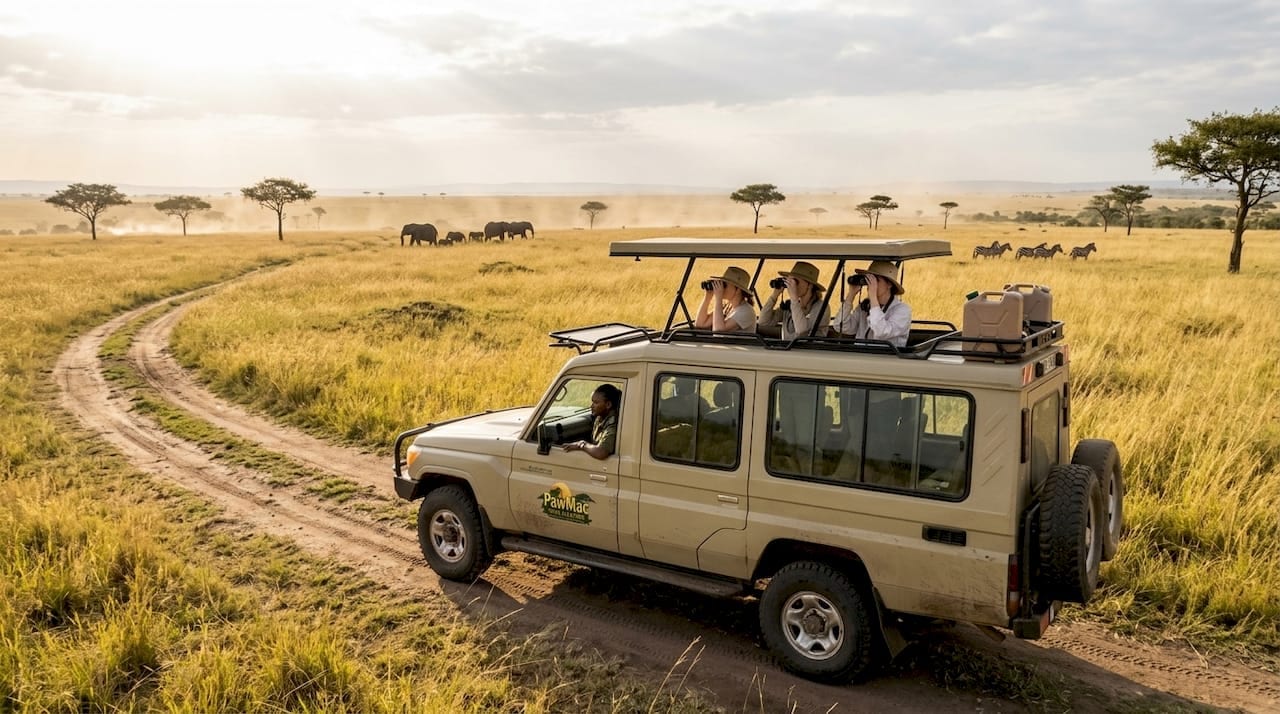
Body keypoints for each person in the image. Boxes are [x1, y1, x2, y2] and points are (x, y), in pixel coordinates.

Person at [833, 260, 912, 347]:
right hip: (860, 356)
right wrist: (850, 295)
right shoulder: (865, 306)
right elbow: (840, 327)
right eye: (868, 280)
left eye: (875, 280)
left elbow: (881, 332)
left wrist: (873, 298)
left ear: (889, 284)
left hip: (884, 358)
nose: (870, 285)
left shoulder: (902, 310)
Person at [759, 261, 829, 340]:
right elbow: (763, 322)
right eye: (789, 281)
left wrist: (794, 299)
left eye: (796, 282)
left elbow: (802, 331)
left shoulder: (820, 307)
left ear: (809, 285)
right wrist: (774, 295)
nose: (792, 285)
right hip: (789, 351)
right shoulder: (790, 305)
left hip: (809, 351)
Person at [562, 383, 621, 460]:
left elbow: (601, 452)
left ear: (608, 405)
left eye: (596, 403)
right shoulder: (600, 417)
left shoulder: (613, 424)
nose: (591, 406)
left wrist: (582, 444)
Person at [694, 266, 756, 333]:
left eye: (725, 285)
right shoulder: (727, 307)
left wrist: (718, 299)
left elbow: (718, 331)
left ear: (738, 290)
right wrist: (708, 297)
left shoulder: (746, 311)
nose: (722, 288)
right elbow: (700, 324)